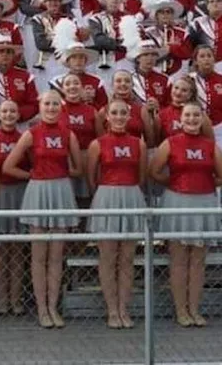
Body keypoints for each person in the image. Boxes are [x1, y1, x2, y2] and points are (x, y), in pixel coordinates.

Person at [3, 91, 82, 329]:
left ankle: (53, 306)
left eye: (55, 104)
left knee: (56, 255)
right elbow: (9, 166)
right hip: (38, 191)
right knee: (39, 256)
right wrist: (35, 176)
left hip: (60, 191)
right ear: (40, 106)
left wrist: (58, 176)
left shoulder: (68, 134)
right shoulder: (31, 133)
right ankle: (41, 308)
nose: (51, 107)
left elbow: (78, 168)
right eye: (47, 103)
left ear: (61, 107)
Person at [150, 102, 222, 327]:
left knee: (198, 261)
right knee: (179, 260)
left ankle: (195, 308)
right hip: (177, 202)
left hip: (204, 203)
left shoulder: (211, 146)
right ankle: (181, 310)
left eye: (196, 116)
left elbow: (220, 175)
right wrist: (175, 185)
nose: (191, 119)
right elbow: (154, 171)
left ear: (202, 120)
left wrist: (204, 185)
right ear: (180, 119)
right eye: (188, 115)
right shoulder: (170, 143)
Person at [86, 99, 147, 329]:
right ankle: (111, 309)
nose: (119, 116)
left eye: (123, 113)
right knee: (108, 257)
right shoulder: (97, 144)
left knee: (127, 258)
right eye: (115, 113)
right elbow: (91, 178)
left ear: (129, 117)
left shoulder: (137, 144)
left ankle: (124, 307)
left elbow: (142, 177)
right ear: (107, 117)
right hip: (107, 197)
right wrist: (106, 194)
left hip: (131, 195)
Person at [0, 100, 27, 316]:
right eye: (5, 111)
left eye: (13, 111)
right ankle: (2, 299)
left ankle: (16, 298)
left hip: (19, 193)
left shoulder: (24, 138)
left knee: (17, 249)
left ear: (18, 115)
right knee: (0, 250)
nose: (9, 114)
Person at [59, 73, 98, 205]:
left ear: (82, 88)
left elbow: (100, 138)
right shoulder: (57, 110)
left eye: (76, 83)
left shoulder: (91, 111)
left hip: (87, 157)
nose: (72, 87)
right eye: (68, 84)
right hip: (65, 158)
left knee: (86, 198)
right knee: (67, 198)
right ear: (62, 89)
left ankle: (84, 225)